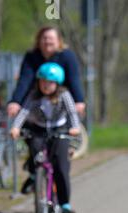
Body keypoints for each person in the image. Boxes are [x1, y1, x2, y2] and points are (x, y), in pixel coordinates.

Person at [7, 26, 85, 194]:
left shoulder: (67, 56)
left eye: (51, 38)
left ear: (59, 41)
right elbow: (24, 81)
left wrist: (79, 101)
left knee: (61, 146)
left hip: (61, 106)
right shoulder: (32, 57)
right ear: (38, 41)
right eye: (44, 38)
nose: (47, 41)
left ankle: (63, 161)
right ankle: (35, 172)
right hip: (35, 106)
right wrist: (15, 102)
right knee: (32, 137)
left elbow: (74, 80)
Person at [10, 63, 81, 213]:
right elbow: (24, 111)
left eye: (49, 82)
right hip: (39, 129)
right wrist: (15, 127)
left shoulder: (64, 95)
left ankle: (65, 205)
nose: (46, 85)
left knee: (61, 167)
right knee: (35, 152)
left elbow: (71, 113)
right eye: (43, 82)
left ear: (56, 84)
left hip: (59, 129)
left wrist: (75, 128)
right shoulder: (33, 95)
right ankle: (35, 176)